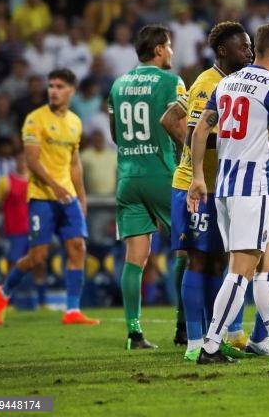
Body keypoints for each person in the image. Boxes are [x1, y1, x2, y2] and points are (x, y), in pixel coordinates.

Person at [188, 24, 269, 363]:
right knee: (241, 269)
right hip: (253, 189)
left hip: (224, 188)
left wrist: (198, 177)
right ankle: (211, 346)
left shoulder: (226, 82)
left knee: (267, 262)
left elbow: (201, 130)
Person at [161, 21, 253, 360]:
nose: (249, 52)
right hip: (195, 187)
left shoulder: (235, 83)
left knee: (218, 264)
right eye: (243, 47)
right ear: (223, 51)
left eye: (250, 46)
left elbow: (172, 118)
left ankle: (217, 337)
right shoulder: (207, 84)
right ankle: (194, 343)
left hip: (220, 187)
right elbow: (195, 133)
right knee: (198, 261)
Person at [0, 68, 98, 326]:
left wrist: (81, 196)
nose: (53, 91)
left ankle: (72, 310)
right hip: (41, 197)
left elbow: (74, 164)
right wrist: (54, 186)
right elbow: (31, 159)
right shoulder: (34, 119)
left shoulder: (75, 122)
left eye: (60, 86)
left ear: (71, 90)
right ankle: (3, 292)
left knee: (78, 248)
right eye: (51, 86)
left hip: (68, 197)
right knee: (38, 256)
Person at [107, 25, 186, 349]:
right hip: (162, 174)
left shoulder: (118, 84)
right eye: (168, 46)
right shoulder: (171, 82)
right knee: (187, 249)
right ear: (157, 50)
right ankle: (184, 325)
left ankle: (134, 332)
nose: (171, 52)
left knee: (135, 258)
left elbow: (114, 132)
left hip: (127, 177)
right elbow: (181, 128)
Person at [0, 148, 47, 309]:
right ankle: (8, 301)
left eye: (25, 159)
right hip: (15, 231)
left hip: (35, 230)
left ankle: (42, 302)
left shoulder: (37, 181)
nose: (23, 163)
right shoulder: (5, 181)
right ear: (15, 161)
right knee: (13, 265)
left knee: (40, 262)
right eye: (20, 159)